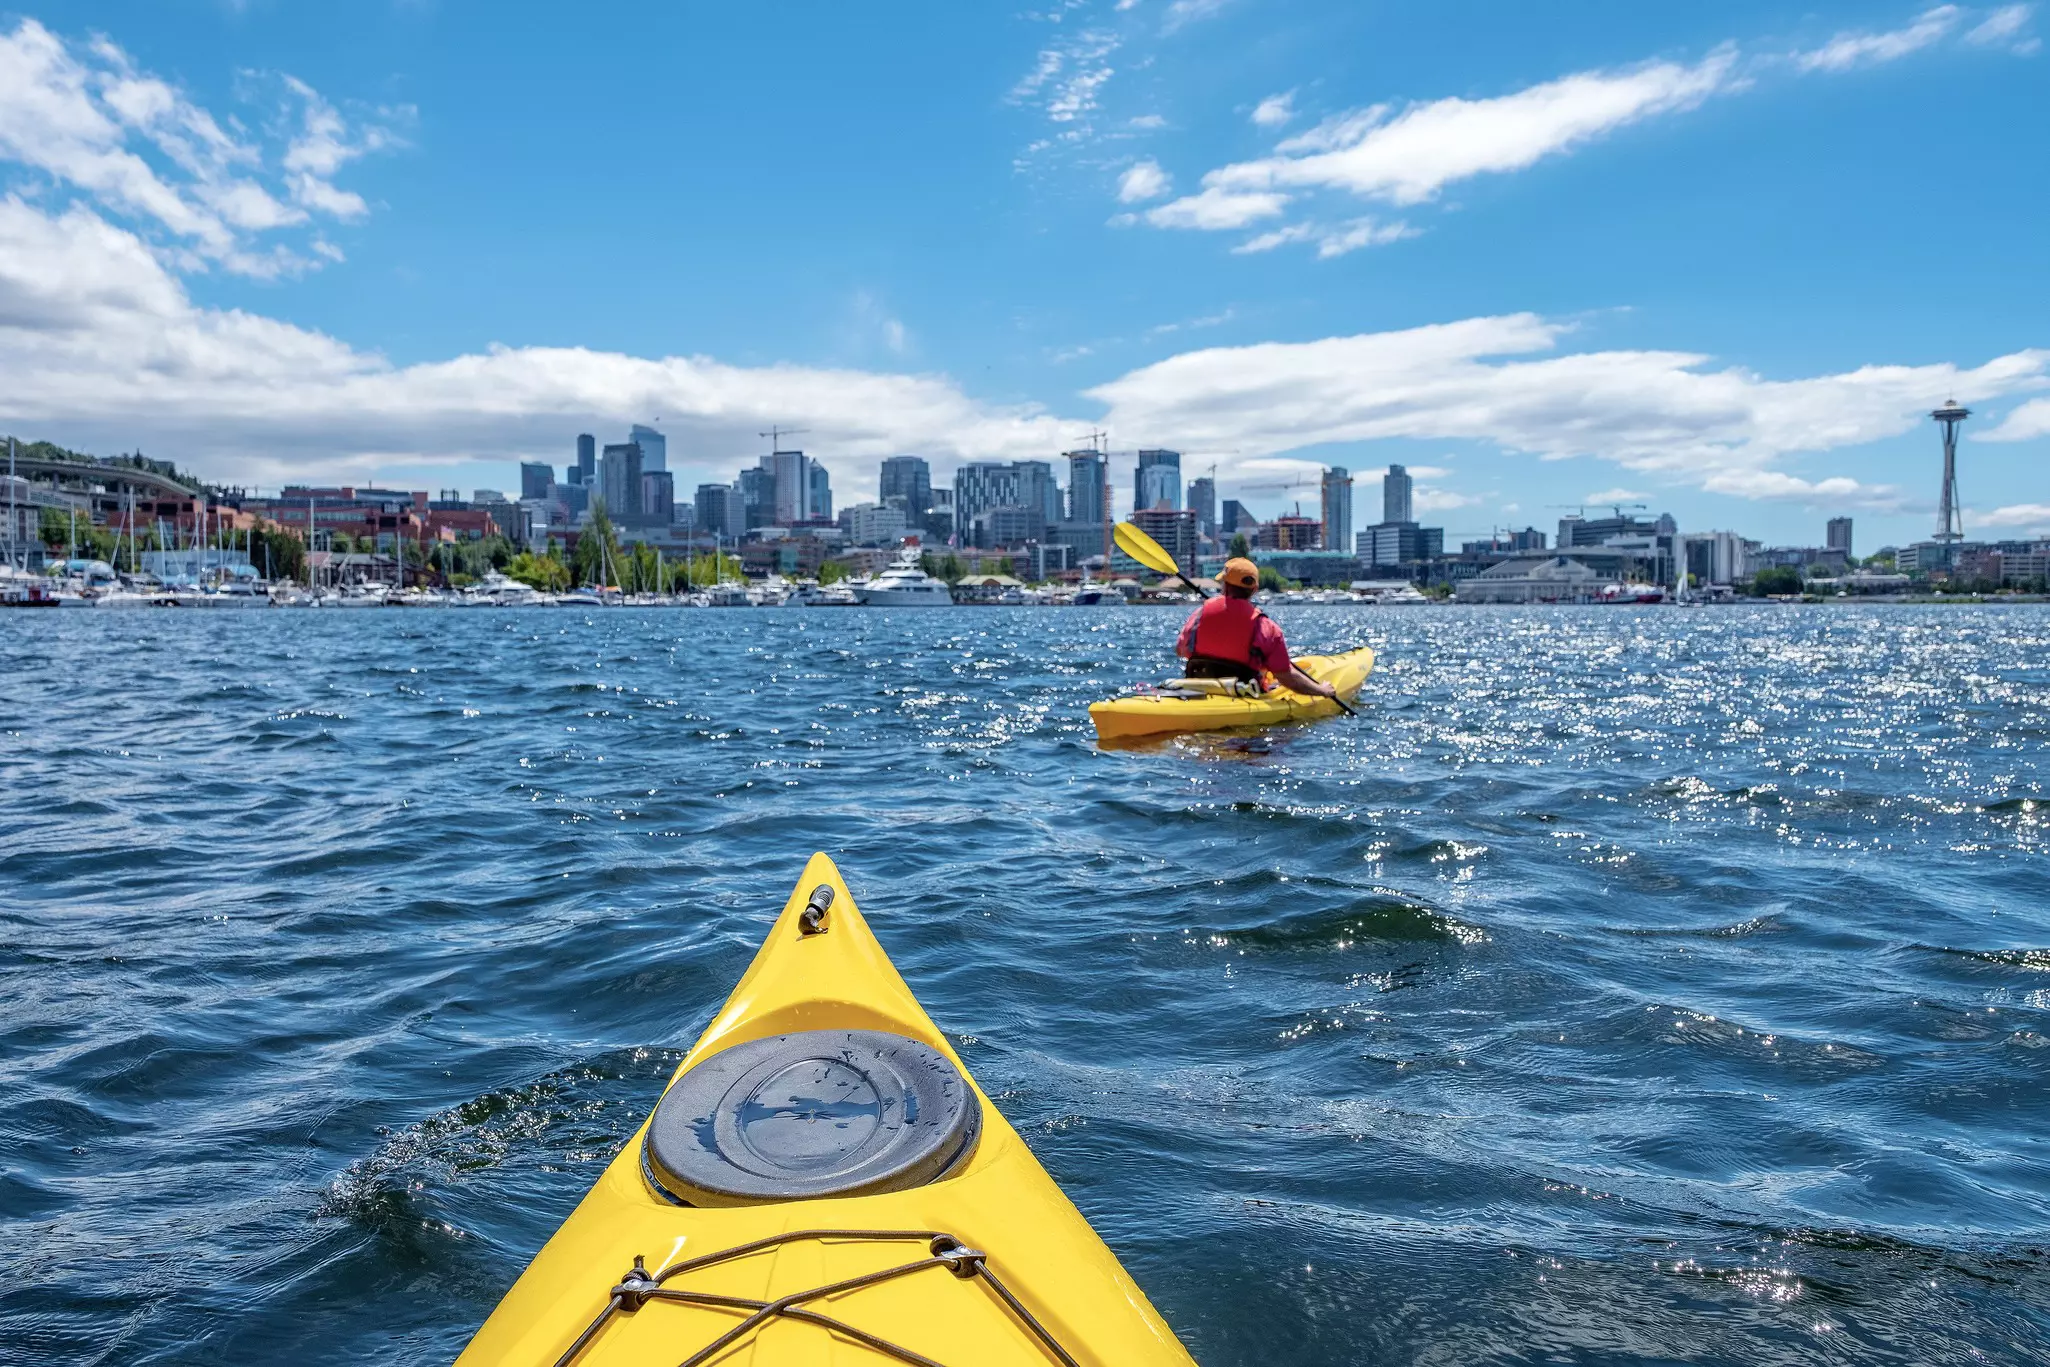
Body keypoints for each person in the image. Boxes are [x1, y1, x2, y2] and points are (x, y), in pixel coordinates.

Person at [1175, 557, 1336, 697]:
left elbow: (1180, 650)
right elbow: (1286, 677)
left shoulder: (1200, 613)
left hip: (1199, 689)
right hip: (1243, 694)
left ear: (1225, 585)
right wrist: (1322, 690)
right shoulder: (1266, 627)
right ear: (1254, 590)